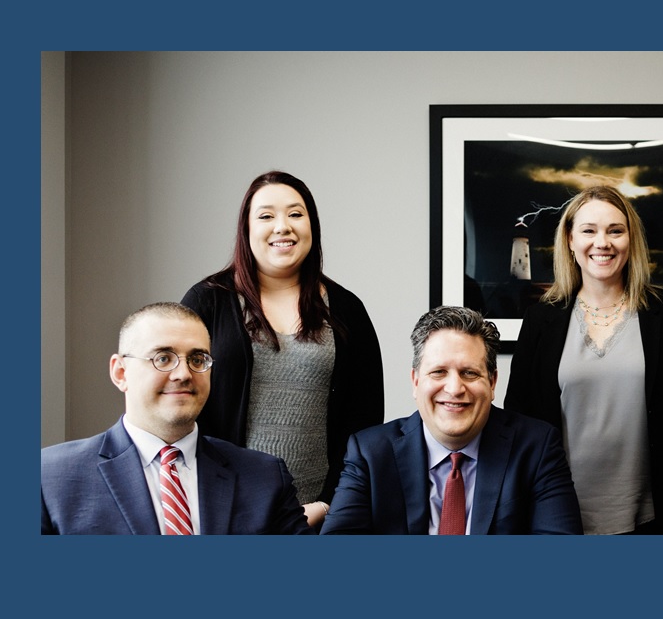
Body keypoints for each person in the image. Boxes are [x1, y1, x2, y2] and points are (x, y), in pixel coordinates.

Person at [503, 185, 663, 534]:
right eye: (589, 231)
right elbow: (519, 417)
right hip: (556, 511)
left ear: (630, 239)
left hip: (650, 515)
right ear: (570, 240)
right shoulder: (540, 319)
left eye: (615, 231)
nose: (603, 243)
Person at [181, 170, 384, 529]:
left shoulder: (347, 309)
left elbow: (365, 420)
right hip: (223, 511)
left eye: (295, 214)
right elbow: (180, 400)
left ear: (312, 225)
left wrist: (329, 504)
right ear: (246, 229)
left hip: (317, 516)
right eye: (266, 216)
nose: (282, 226)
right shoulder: (207, 301)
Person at [41, 302, 312, 535]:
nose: (183, 373)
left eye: (198, 359)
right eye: (163, 358)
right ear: (121, 373)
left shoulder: (264, 477)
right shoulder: (50, 477)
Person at [321, 306, 582, 534]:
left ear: (492, 382)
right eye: (438, 372)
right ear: (416, 381)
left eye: (469, 373)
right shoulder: (370, 453)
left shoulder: (537, 448)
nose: (455, 389)